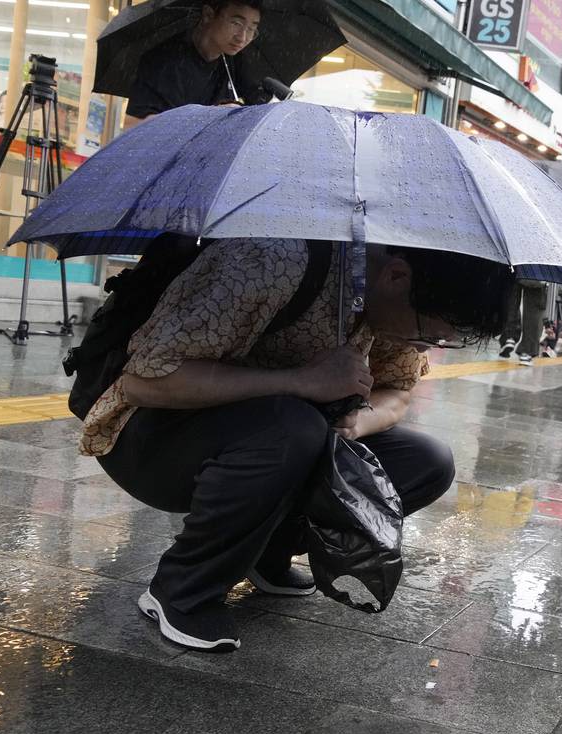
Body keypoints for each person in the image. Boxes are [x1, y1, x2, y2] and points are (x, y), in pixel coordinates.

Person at [82, 236, 513, 651]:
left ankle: (267, 552)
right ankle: (182, 589)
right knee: (295, 425)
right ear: (397, 276)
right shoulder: (267, 261)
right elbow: (144, 382)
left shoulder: (388, 305)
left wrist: (359, 422)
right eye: (429, 336)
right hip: (151, 441)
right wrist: (301, 381)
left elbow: (397, 390)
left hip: (273, 441)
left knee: (427, 461)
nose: (424, 348)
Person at [124, 0, 268, 126]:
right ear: (208, 15)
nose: (242, 38)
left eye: (251, 29)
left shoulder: (234, 62)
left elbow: (256, 105)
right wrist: (210, 117)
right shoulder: (164, 61)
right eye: (236, 23)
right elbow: (136, 125)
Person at [497, 278, 549, 366]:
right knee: (534, 306)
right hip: (538, 270)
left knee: (512, 297)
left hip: (516, 267)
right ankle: (527, 351)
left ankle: (509, 336)